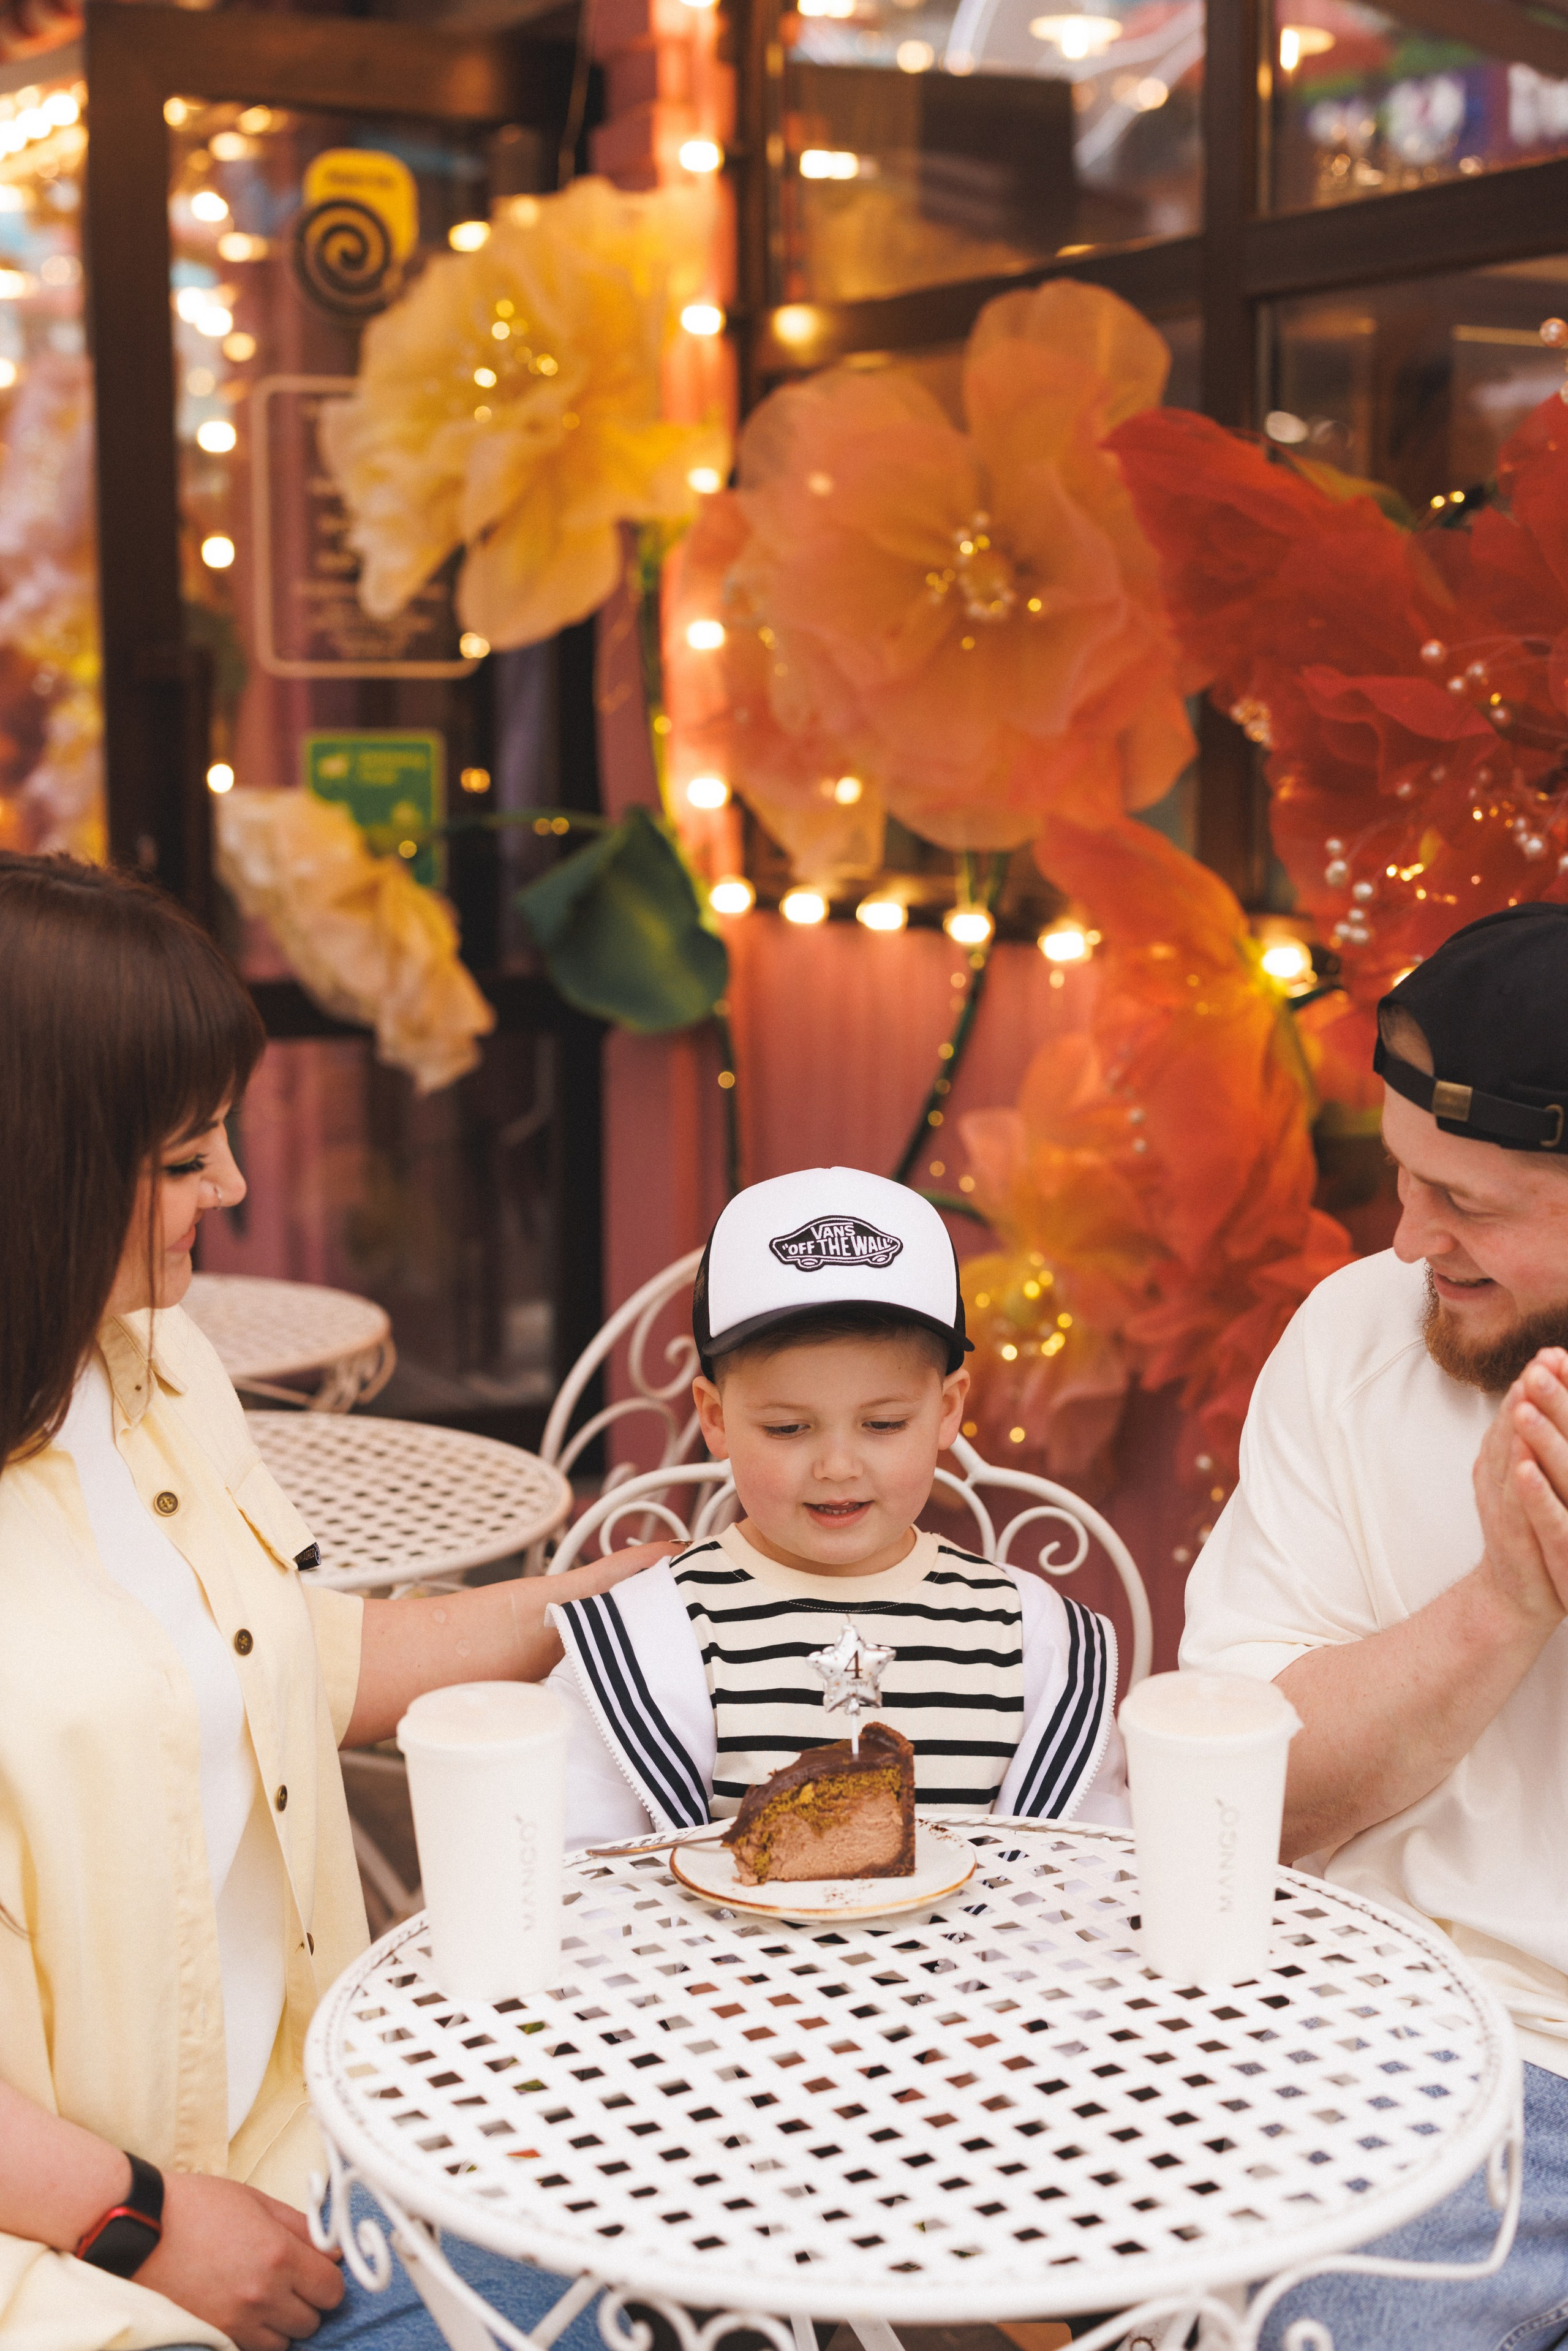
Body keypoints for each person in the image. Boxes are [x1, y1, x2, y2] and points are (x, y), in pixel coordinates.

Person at [0, 853, 666, 2351]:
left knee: (652, 2264)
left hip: (301, 2150)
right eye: (185, 1157)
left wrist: (602, 1605)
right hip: (80, 2267)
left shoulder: (159, 1367)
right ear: (37, 1164)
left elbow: (281, 1661)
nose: (233, 1188)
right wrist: (138, 2218)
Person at [1182, 902, 1568, 2350]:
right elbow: (1235, 1804)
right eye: (1403, 1178)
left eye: (1464, 1201)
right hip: (1414, 2045)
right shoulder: (1355, 1333)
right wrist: (1501, 1603)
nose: (1409, 1240)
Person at [546, 1168, 1128, 1851]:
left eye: (883, 1424)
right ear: (715, 1417)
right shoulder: (652, 1636)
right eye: (788, 1428)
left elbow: (1093, 1875)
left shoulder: (1030, 1639)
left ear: (947, 1410)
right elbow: (581, 1877)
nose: (837, 1466)